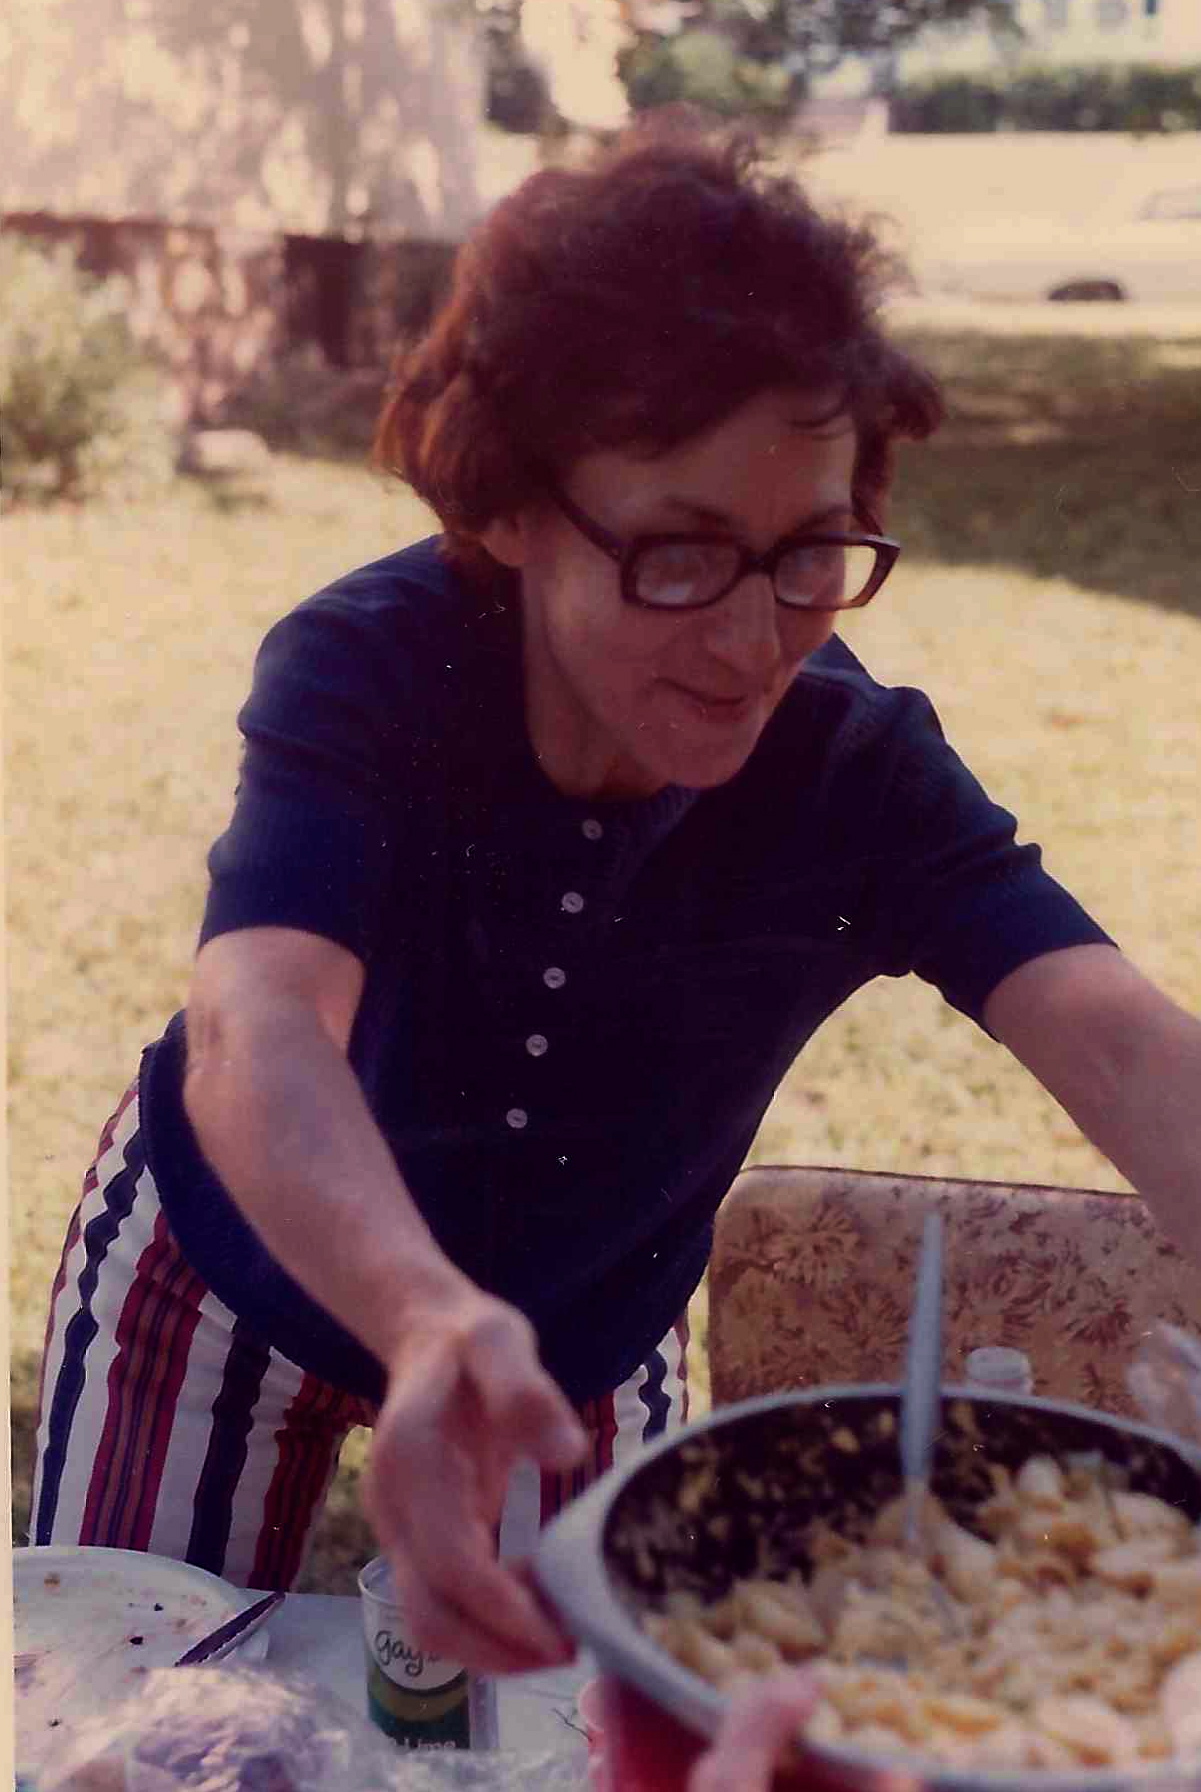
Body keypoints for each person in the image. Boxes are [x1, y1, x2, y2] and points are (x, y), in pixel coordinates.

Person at [31, 113, 1201, 1684]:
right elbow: (259, 1024)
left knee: (577, 1736)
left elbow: (1114, 1037)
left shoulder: (857, 772)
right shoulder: (369, 668)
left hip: (579, 1337)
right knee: (115, 1710)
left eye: (810, 553)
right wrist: (423, 1316)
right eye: (677, 556)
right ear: (508, 507)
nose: (750, 644)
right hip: (226, 1271)